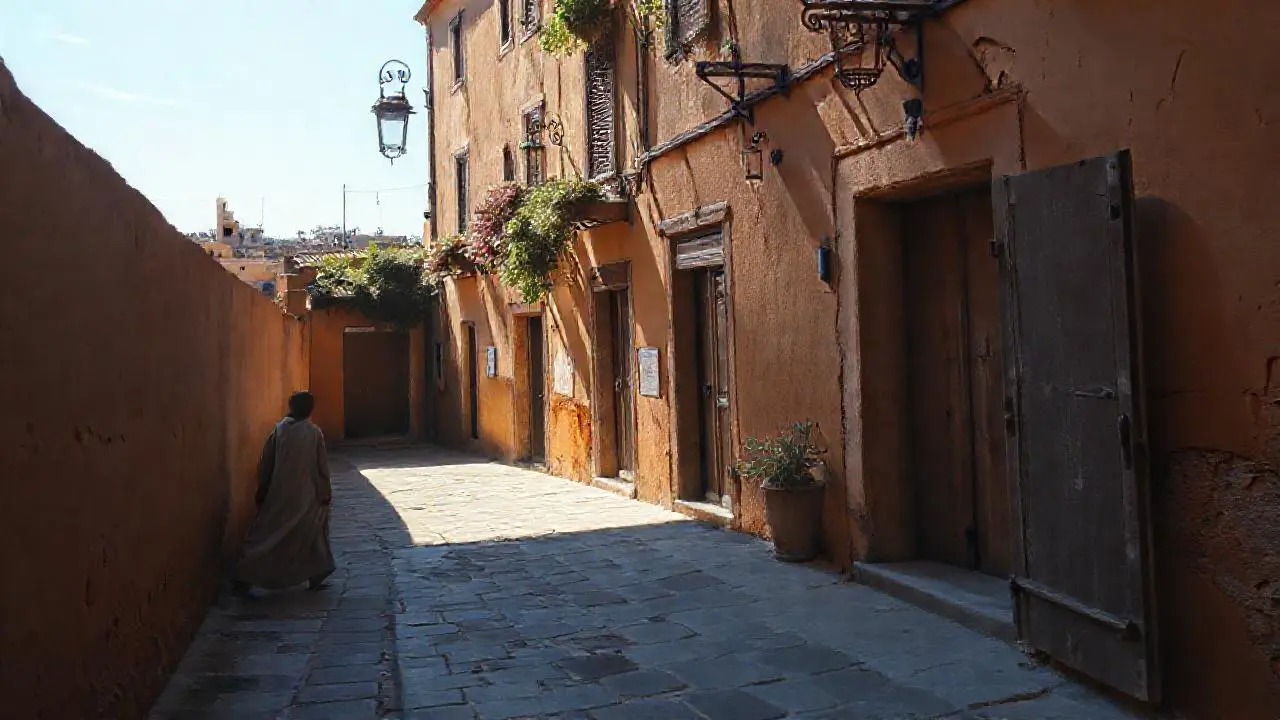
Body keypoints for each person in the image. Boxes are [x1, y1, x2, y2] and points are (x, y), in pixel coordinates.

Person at [232, 391, 335, 596]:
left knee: (269, 533)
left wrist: (263, 488)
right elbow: (321, 466)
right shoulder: (313, 433)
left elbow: (266, 463)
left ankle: (246, 575)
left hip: (279, 494)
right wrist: (325, 491)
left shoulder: (279, 431)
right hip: (306, 494)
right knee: (311, 532)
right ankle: (247, 575)